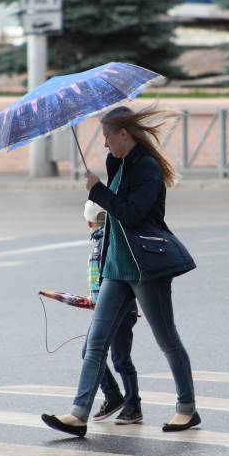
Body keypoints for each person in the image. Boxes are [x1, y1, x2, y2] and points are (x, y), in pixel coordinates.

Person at [42, 105, 199, 436]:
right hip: (117, 267)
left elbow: (130, 214)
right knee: (96, 342)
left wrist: (97, 190)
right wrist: (105, 181)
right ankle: (78, 414)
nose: (104, 144)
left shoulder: (148, 168)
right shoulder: (120, 163)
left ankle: (187, 409)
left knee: (166, 338)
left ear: (123, 134)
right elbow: (114, 215)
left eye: (107, 136)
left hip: (145, 268)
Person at [82, 201, 142, 424]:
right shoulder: (107, 241)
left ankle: (132, 405)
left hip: (118, 310)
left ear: (89, 222)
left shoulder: (106, 243)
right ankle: (115, 396)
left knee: (119, 358)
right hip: (108, 309)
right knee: (100, 354)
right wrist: (93, 300)